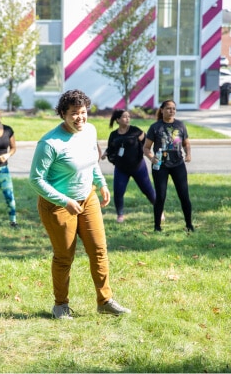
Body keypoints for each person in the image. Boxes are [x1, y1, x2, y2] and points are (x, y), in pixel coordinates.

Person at [29, 89, 131, 319]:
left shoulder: (89, 130)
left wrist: (101, 183)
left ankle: (105, 300)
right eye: (74, 113)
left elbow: (91, 160)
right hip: (57, 205)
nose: (80, 118)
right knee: (64, 257)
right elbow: (36, 179)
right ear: (63, 114)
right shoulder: (50, 143)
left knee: (99, 250)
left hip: (88, 198)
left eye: (83, 112)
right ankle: (60, 305)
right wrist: (64, 201)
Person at [143, 99, 193, 232]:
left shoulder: (180, 125)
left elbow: (186, 143)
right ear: (162, 110)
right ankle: (157, 226)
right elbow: (146, 148)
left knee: (184, 195)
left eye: (174, 109)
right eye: (168, 108)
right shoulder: (155, 127)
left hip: (178, 165)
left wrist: (188, 154)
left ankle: (189, 225)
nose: (171, 111)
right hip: (160, 166)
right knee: (161, 196)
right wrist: (151, 158)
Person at [101, 109, 156, 223]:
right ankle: (120, 215)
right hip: (121, 169)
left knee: (148, 190)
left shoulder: (135, 131)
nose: (128, 119)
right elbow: (111, 148)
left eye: (128, 116)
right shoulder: (114, 135)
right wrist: (105, 153)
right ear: (118, 120)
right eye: (125, 117)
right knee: (118, 192)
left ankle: (159, 211)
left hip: (138, 167)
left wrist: (150, 155)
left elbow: (146, 143)